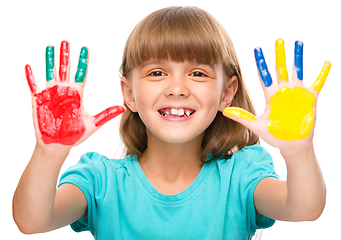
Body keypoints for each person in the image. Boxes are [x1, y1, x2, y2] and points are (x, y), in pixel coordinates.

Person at [13, 6, 329, 240]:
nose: (177, 88)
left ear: (226, 93)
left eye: (198, 73)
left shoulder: (242, 175)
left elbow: (304, 208)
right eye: (157, 73)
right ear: (129, 93)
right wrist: (49, 152)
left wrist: (298, 152)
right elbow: (32, 221)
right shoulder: (101, 180)